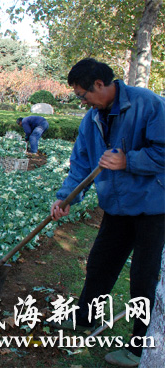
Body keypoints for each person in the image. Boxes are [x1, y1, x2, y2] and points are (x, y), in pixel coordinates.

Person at [50, 58, 165, 367]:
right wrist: (66, 198)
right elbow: (82, 164)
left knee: (143, 277)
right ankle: (84, 319)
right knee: (100, 264)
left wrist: (129, 161)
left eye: (83, 95)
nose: (82, 101)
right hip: (117, 206)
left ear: (99, 85)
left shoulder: (149, 105)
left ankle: (138, 348)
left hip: (153, 207)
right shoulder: (92, 120)